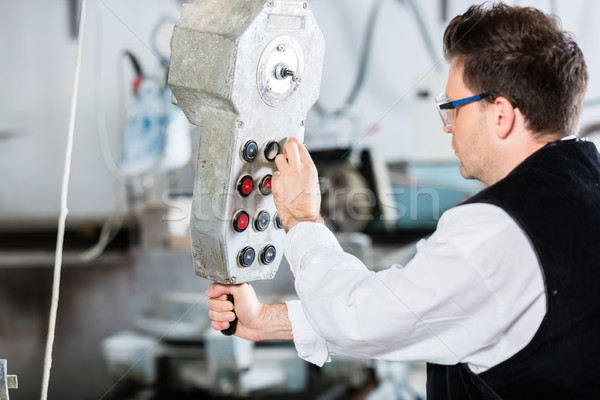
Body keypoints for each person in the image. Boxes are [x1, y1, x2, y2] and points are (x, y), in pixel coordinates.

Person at [207, 3, 600, 398]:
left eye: (453, 109)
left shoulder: (499, 230)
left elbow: (362, 318)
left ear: (500, 115)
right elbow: (422, 317)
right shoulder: (587, 187)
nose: (448, 128)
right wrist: (263, 321)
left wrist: (302, 218)